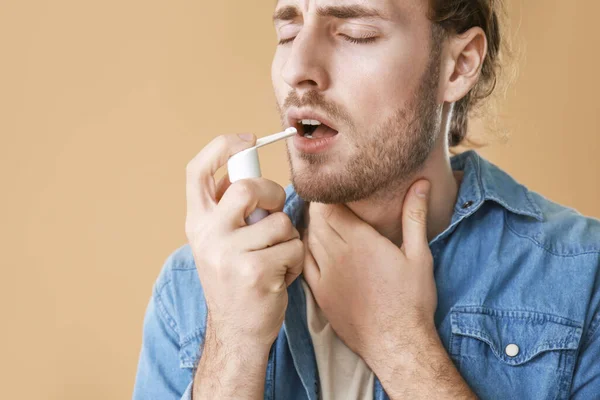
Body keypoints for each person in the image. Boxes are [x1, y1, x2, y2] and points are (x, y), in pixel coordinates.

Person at [133, 1, 600, 399]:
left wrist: (401, 347)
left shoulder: (583, 278)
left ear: (458, 65)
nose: (298, 69)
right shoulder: (193, 291)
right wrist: (233, 346)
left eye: (355, 32)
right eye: (289, 30)